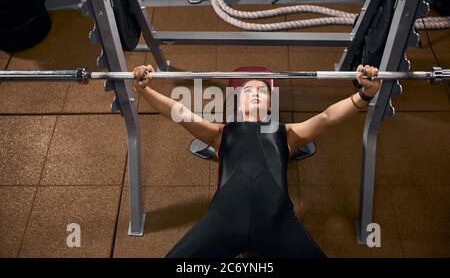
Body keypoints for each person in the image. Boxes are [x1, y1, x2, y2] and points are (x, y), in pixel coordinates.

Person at [133, 64, 380, 258]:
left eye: (262, 91)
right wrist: (144, 89)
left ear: (271, 104)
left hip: (277, 223)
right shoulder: (221, 132)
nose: (255, 94)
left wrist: (365, 95)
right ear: (238, 102)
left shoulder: (288, 133)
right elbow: (179, 112)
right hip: (224, 222)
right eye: (248, 91)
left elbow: (327, 117)